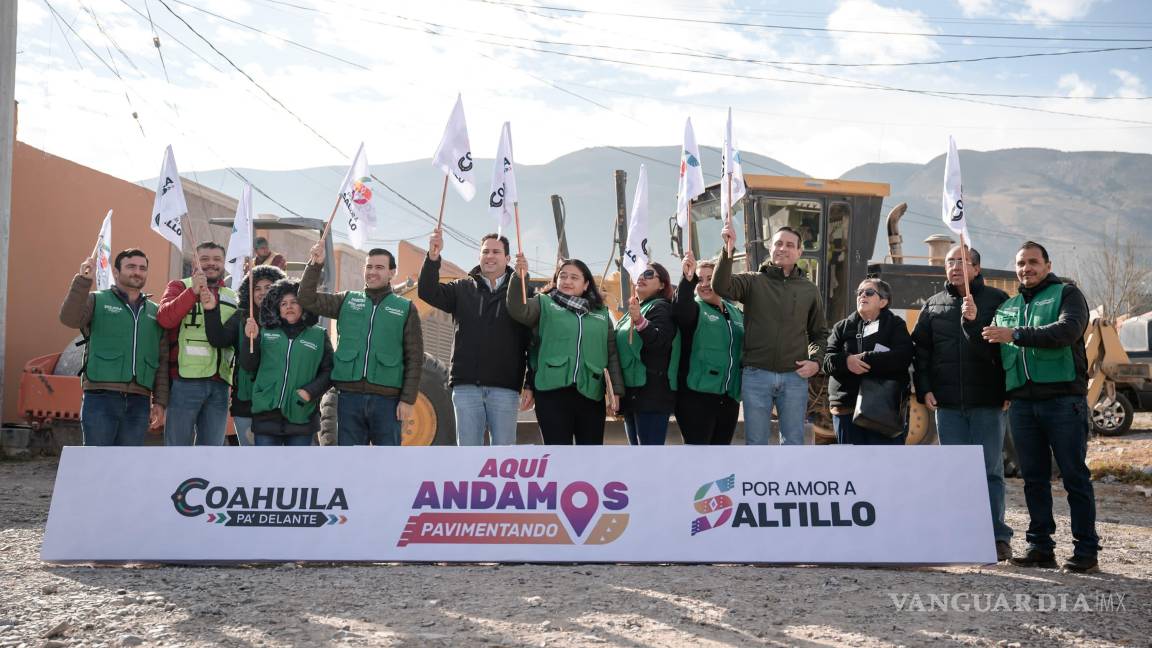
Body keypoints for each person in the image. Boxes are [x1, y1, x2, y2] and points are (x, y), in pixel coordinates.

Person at [984, 241, 1099, 573]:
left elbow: (1067, 331)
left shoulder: (1067, 294)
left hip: (1064, 402)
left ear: (1048, 265)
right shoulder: (1008, 306)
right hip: (1022, 405)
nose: (1026, 268)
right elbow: (993, 352)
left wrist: (1016, 334)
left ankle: (1086, 550)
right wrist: (971, 324)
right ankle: (1040, 548)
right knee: (1033, 479)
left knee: (1074, 477)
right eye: (1021, 263)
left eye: (1033, 262)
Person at [912, 245, 1014, 561]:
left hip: (987, 401)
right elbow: (921, 353)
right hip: (948, 404)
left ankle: (997, 537)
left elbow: (1007, 351)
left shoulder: (997, 302)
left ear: (977, 269)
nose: (955, 266)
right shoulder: (933, 306)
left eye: (962, 261)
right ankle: (958, 533)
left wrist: (1009, 389)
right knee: (954, 472)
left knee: (990, 470)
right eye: (950, 261)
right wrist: (923, 388)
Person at [298, 241, 423, 446]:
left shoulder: (405, 308)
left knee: (386, 464)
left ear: (392, 273)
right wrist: (315, 265)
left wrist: (408, 400)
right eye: (369, 267)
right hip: (349, 399)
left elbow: (415, 357)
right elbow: (306, 298)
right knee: (350, 465)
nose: (372, 272)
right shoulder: (346, 300)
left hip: (388, 402)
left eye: (380, 267)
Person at [713, 225, 827, 445]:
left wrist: (815, 362)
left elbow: (819, 333)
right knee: (756, 443)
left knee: (793, 442)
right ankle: (758, 481)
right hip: (756, 375)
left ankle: (787, 481)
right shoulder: (752, 281)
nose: (783, 248)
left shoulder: (809, 290)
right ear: (770, 247)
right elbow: (721, 286)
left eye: (790, 245)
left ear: (799, 252)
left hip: (795, 377)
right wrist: (727, 250)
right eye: (778, 243)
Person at [418, 229, 532, 446]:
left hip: (505, 388)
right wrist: (433, 258)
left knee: (503, 458)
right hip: (466, 387)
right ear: (479, 257)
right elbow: (427, 291)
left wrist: (529, 384)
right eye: (485, 251)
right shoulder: (461, 289)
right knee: (468, 457)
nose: (490, 256)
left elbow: (532, 342)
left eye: (496, 252)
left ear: (507, 258)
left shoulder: (523, 293)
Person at [507, 255, 624, 445]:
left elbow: (611, 353)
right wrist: (520, 277)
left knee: (590, 455)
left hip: (591, 394)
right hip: (552, 393)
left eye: (574, 277)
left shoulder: (601, 313)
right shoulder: (544, 303)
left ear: (586, 285)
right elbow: (518, 309)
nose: (567, 281)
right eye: (563, 276)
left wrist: (616, 390)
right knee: (558, 454)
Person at [58, 249, 168, 446]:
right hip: (100, 397)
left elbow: (161, 360)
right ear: (116, 272)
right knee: (96, 462)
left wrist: (159, 401)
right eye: (131, 266)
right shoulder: (96, 300)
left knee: (127, 467)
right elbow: (69, 318)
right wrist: (83, 282)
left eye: (142, 268)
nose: (137, 272)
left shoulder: (155, 311)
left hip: (139, 400)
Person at [234, 279, 332, 446]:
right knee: (265, 470)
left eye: (294, 302)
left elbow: (329, 371)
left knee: (297, 471)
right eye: (283, 304)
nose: (289, 306)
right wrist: (252, 339)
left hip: (301, 414)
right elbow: (249, 365)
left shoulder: (319, 335)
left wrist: (309, 392)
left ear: (303, 305)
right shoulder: (264, 332)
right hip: (266, 415)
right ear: (277, 309)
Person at [157, 242, 237, 446]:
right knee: (177, 450)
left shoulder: (233, 296)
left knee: (211, 455)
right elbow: (165, 319)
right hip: (185, 382)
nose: (211, 264)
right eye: (205, 259)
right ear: (195, 262)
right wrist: (192, 292)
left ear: (224, 263)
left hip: (220, 385)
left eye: (217, 259)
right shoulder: (179, 286)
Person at [823, 279, 913, 445]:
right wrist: (847, 361)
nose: (862, 295)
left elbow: (903, 357)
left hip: (884, 410)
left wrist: (866, 358)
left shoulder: (895, 325)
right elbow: (826, 360)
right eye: (860, 292)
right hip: (846, 410)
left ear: (883, 302)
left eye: (869, 292)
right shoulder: (841, 327)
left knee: (885, 466)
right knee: (852, 467)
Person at [204, 265, 286, 446]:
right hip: (246, 402)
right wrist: (211, 310)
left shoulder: (288, 318)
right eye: (257, 288)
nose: (262, 293)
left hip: (278, 404)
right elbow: (218, 339)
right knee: (250, 462)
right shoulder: (241, 317)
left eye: (268, 287)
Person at [673, 252, 743, 445]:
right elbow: (681, 310)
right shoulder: (695, 309)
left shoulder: (736, 313)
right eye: (699, 279)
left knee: (720, 459)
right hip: (697, 398)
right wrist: (687, 280)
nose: (704, 284)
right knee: (698, 461)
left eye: (710, 279)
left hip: (728, 399)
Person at [614, 262, 678, 445]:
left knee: (649, 461)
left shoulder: (662, 308)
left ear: (662, 284)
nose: (642, 277)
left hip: (651, 397)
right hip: (632, 395)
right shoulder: (633, 310)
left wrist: (640, 321)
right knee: (637, 460)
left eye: (649, 274)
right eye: (640, 273)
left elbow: (659, 341)